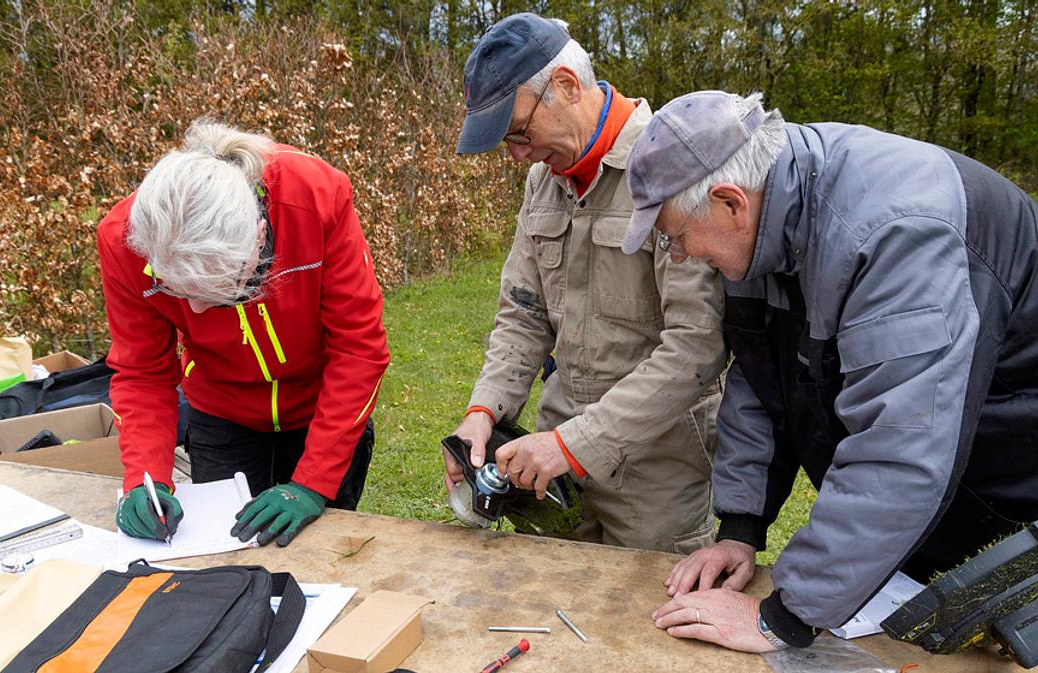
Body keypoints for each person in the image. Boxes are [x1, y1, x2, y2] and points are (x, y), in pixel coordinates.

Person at [620, 90, 1038, 668]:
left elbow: (901, 448)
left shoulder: (897, 230)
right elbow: (760, 382)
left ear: (730, 203)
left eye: (675, 236)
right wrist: (742, 526)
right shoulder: (762, 232)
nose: (678, 255)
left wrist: (784, 615)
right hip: (957, 501)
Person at [446, 13, 728, 553]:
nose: (518, 156)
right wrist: (484, 412)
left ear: (567, 87)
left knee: (645, 625)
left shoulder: (671, 165)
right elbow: (523, 313)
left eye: (520, 134)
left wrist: (574, 445)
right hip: (552, 459)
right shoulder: (543, 182)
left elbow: (697, 345)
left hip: (656, 471)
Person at [98, 119, 389, 548]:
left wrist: (312, 482)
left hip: (321, 407)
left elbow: (358, 349)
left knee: (319, 552)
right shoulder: (122, 239)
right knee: (227, 552)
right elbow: (143, 373)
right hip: (221, 410)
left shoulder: (317, 196)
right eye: (178, 292)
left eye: (217, 296)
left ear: (257, 242)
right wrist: (147, 477)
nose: (195, 311)